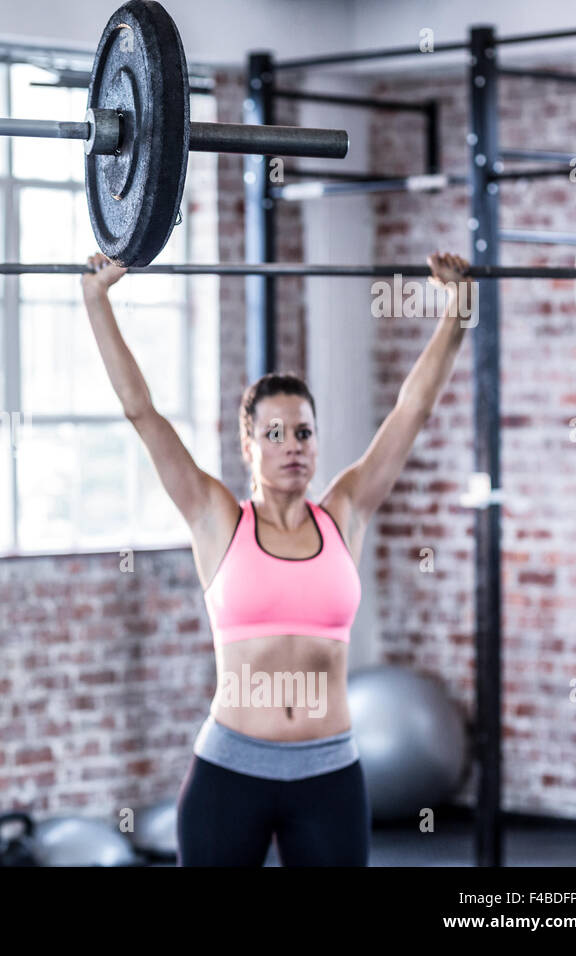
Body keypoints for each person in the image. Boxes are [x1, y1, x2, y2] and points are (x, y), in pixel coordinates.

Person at [81, 249, 472, 865]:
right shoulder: (217, 518)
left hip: (329, 773)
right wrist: (98, 301)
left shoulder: (346, 511)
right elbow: (142, 412)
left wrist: (456, 309)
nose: (292, 446)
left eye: (304, 432)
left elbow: (412, 411)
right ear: (247, 444)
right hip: (230, 771)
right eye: (275, 433)